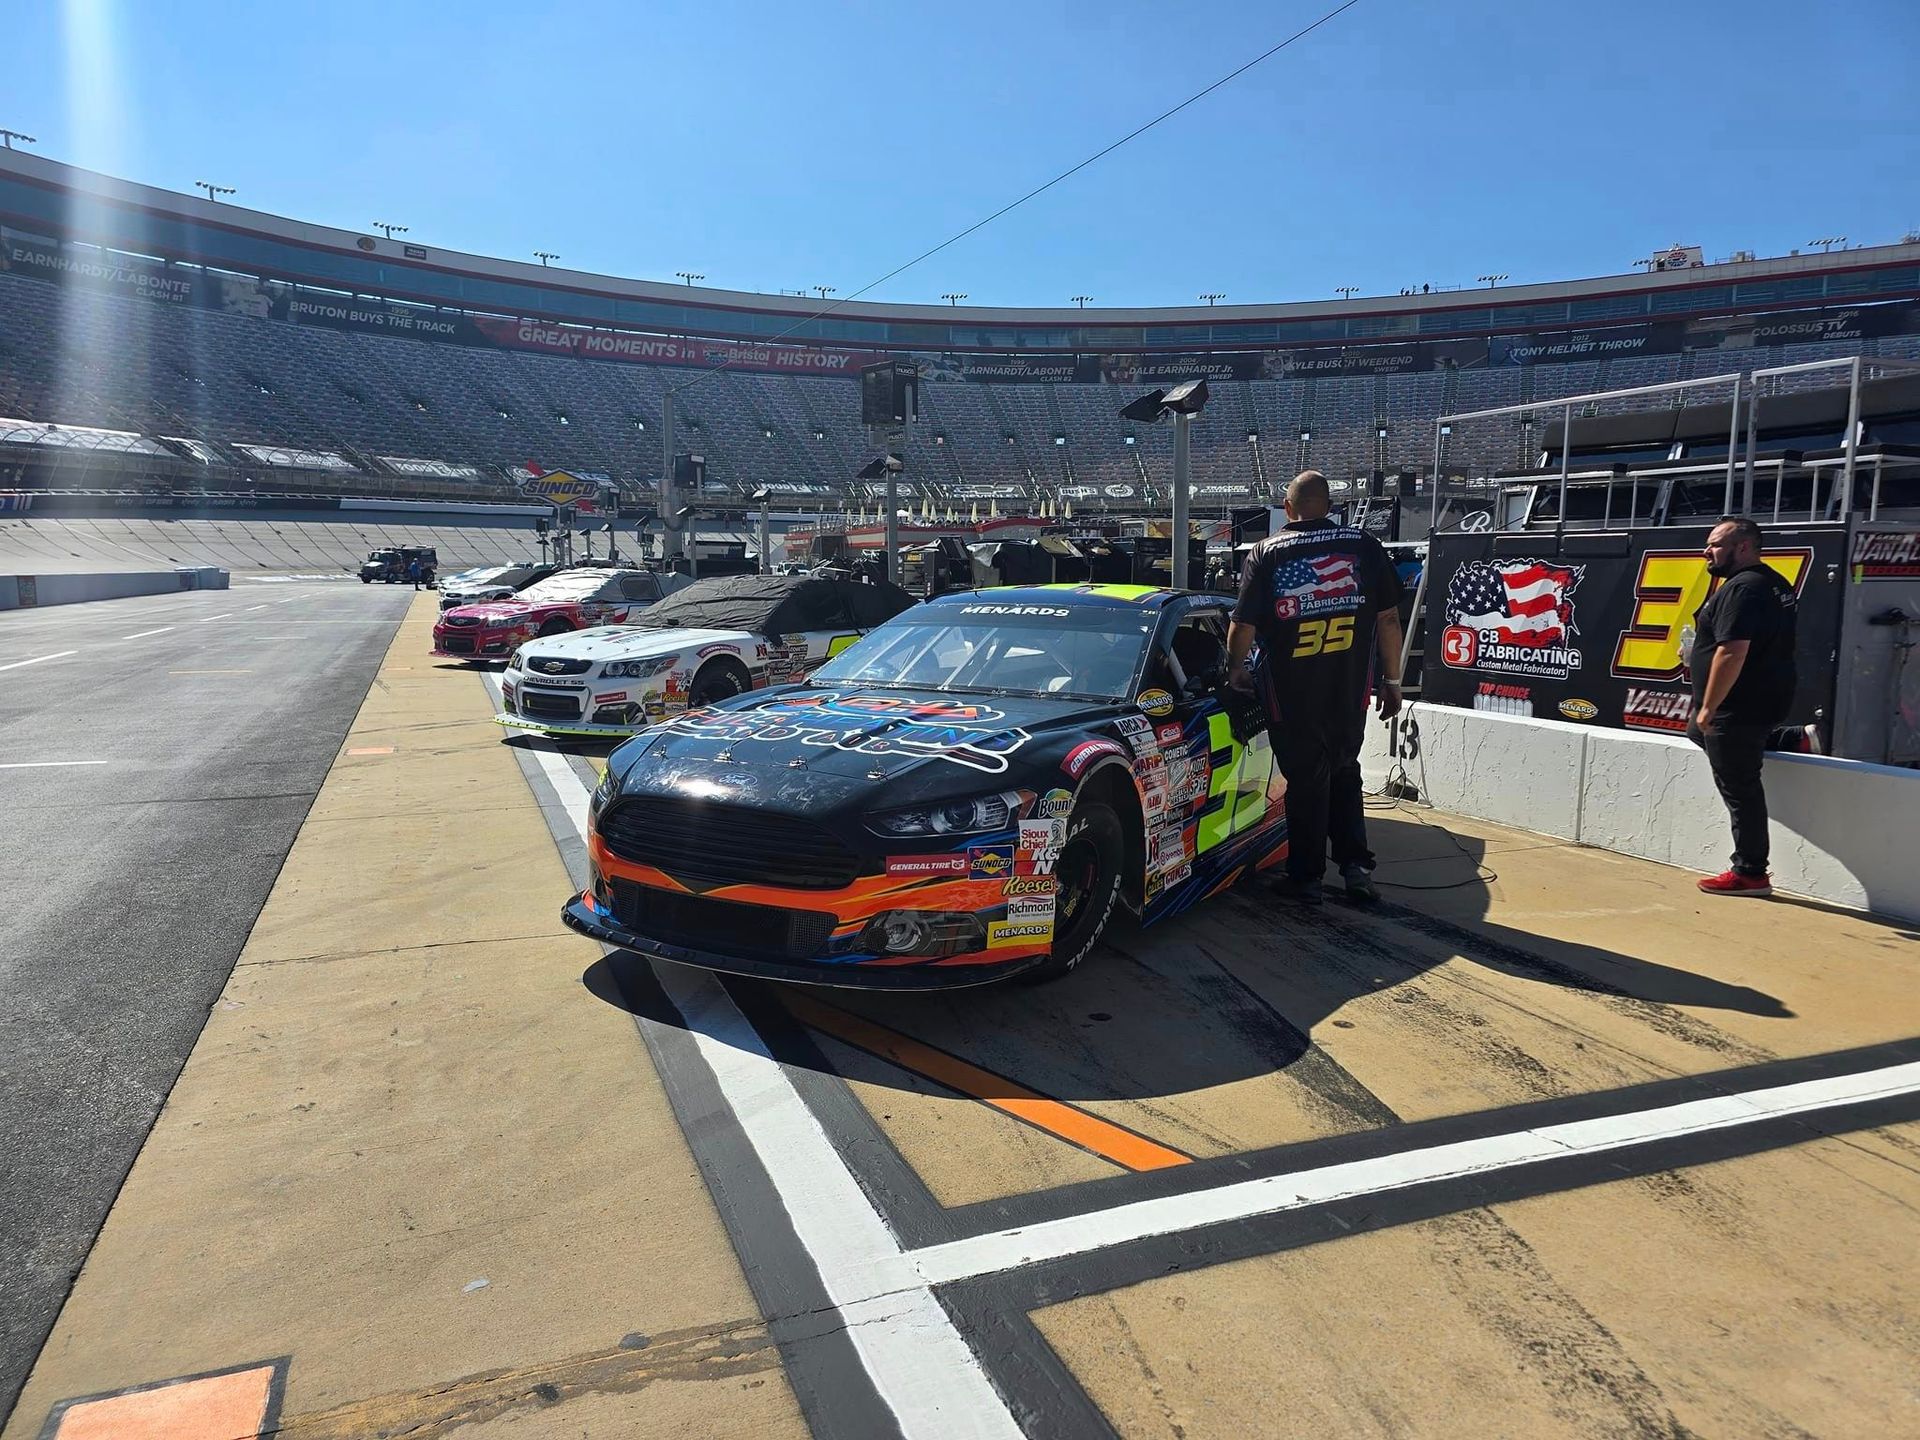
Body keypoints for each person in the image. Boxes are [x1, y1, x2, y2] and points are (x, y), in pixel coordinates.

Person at [1228, 471, 1405, 905]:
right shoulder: (1364, 545)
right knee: (1345, 770)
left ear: (1287, 509)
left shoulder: (1267, 551)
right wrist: (1394, 681)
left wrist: (1234, 671)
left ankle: (1306, 877)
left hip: (1290, 693)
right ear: (1329, 507)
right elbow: (1388, 620)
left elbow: (1243, 624)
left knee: (1306, 782)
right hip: (1349, 691)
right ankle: (1356, 868)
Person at [1687, 516, 1798, 898]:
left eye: (1717, 544)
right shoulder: (1774, 583)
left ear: (1744, 547)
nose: (1708, 551)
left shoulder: (1744, 590)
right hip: (1760, 704)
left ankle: (1750, 872)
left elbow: (1732, 651)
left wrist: (1710, 707)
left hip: (1735, 709)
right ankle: (1792, 739)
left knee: (1740, 788)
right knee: (1697, 734)